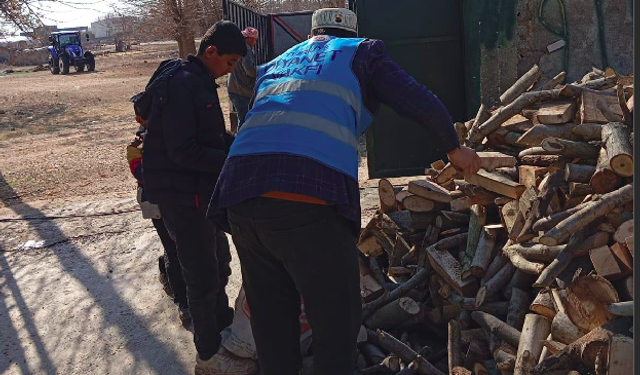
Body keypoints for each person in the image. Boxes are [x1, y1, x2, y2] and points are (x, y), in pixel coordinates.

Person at [208, 8, 481, 375]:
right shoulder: (361, 52)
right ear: (350, 32)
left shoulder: (279, 62)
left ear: (313, 33)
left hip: (239, 195)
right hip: (307, 200)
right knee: (336, 323)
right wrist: (454, 148)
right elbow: (414, 97)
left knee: (272, 321)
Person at [141, 21, 257, 375]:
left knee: (219, 262)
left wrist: (240, 145)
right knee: (202, 276)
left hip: (199, 194)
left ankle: (222, 331)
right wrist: (230, 160)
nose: (231, 69)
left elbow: (207, 135)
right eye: (230, 61)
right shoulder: (182, 84)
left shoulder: (200, 81)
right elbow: (183, 151)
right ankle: (208, 355)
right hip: (182, 197)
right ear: (211, 53)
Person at [125, 105, 193, 328]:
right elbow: (142, 174)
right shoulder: (137, 146)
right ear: (140, 119)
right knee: (174, 250)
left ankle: (175, 283)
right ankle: (183, 303)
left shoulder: (162, 136)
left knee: (181, 248)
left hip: (172, 198)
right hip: (155, 201)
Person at [227, 26, 258, 129]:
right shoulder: (246, 49)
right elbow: (249, 70)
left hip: (234, 87)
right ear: (249, 38)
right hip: (241, 89)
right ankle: (242, 143)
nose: (255, 42)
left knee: (243, 117)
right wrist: (260, 72)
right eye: (254, 40)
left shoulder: (237, 47)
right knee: (245, 119)